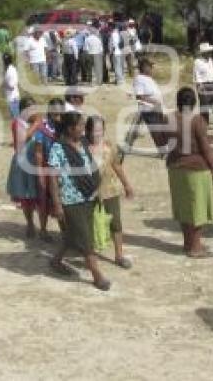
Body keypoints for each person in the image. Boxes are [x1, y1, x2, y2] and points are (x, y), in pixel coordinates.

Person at [47, 111, 111, 291]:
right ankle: (97, 276)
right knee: (86, 239)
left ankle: (56, 260)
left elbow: (91, 165)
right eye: (80, 126)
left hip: (88, 196)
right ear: (70, 128)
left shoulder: (82, 143)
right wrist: (57, 204)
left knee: (73, 235)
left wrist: (97, 188)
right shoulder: (57, 149)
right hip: (70, 199)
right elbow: (53, 179)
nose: (84, 130)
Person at [165, 87, 213, 258]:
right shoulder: (197, 121)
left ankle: (187, 243)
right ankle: (196, 247)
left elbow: (163, 141)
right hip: (196, 169)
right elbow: (205, 147)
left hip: (175, 168)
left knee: (184, 208)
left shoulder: (170, 119)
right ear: (194, 102)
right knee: (197, 209)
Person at [85, 115, 136, 268]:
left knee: (115, 222)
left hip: (110, 190)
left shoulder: (109, 146)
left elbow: (116, 165)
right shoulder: (82, 147)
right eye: (95, 130)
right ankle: (91, 255)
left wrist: (127, 185)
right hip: (89, 192)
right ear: (88, 131)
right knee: (90, 224)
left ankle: (119, 255)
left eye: (101, 130)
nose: (98, 134)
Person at [6, 97, 41, 238]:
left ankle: (41, 226)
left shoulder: (35, 122)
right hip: (23, 164)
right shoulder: (18, 123)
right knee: (27, 196)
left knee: (38, 195)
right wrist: (37, 123)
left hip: (36, 162)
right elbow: (23, 138)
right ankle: (30, 224)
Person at [32, 98, 64, 242]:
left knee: (62, 200)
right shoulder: (43, 129)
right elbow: (38, 152)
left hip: (62, 169)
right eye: (55, 114)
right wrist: (40, 174)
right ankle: (43, 230)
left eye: (60, 113)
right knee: (44, 199)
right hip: (46, 168)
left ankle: (65, 231)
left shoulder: (65, 126)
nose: (58, 117)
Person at [194, 42, 213, 128]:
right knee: (204, 105)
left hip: (212, 83)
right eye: (208, 52)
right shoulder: (198, 62)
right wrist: (199, 85)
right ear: (203, 53)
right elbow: (197, 74)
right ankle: (204, 123)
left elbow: (212, 73)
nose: (210, 53)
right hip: (203, 84)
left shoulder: (211, 61)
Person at [3, 53, 20, 119]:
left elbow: (12, 86)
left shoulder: (11, 71)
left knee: (16, 117)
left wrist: (4, 84)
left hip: (13, 97)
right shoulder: (10, 69)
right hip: (12, 96)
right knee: (15, 117)